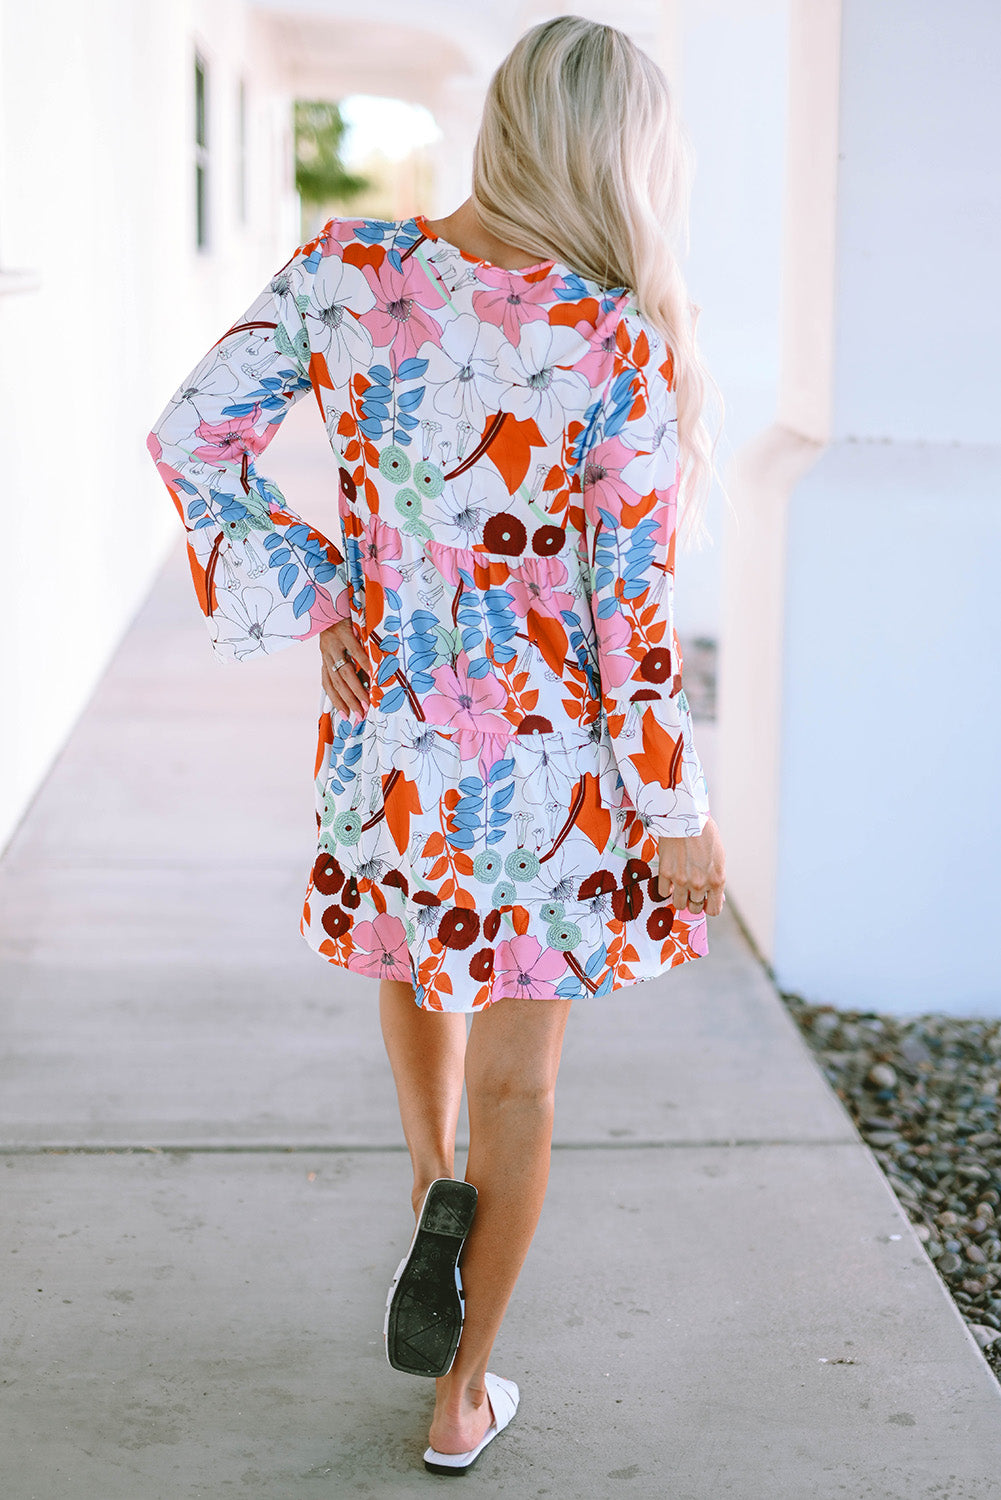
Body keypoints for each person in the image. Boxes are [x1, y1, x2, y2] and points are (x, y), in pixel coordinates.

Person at [147, 13, 727, 1477]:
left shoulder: (349, 271)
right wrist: (677, 812)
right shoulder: (618, 337)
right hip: (552, 773)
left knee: (422, 971)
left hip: (395, 745)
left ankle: (431, 1184)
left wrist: (318, 586)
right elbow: (628, 620)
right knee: (526, 1082)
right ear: (621, 156)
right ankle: (459, 1399)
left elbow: (191, 432)